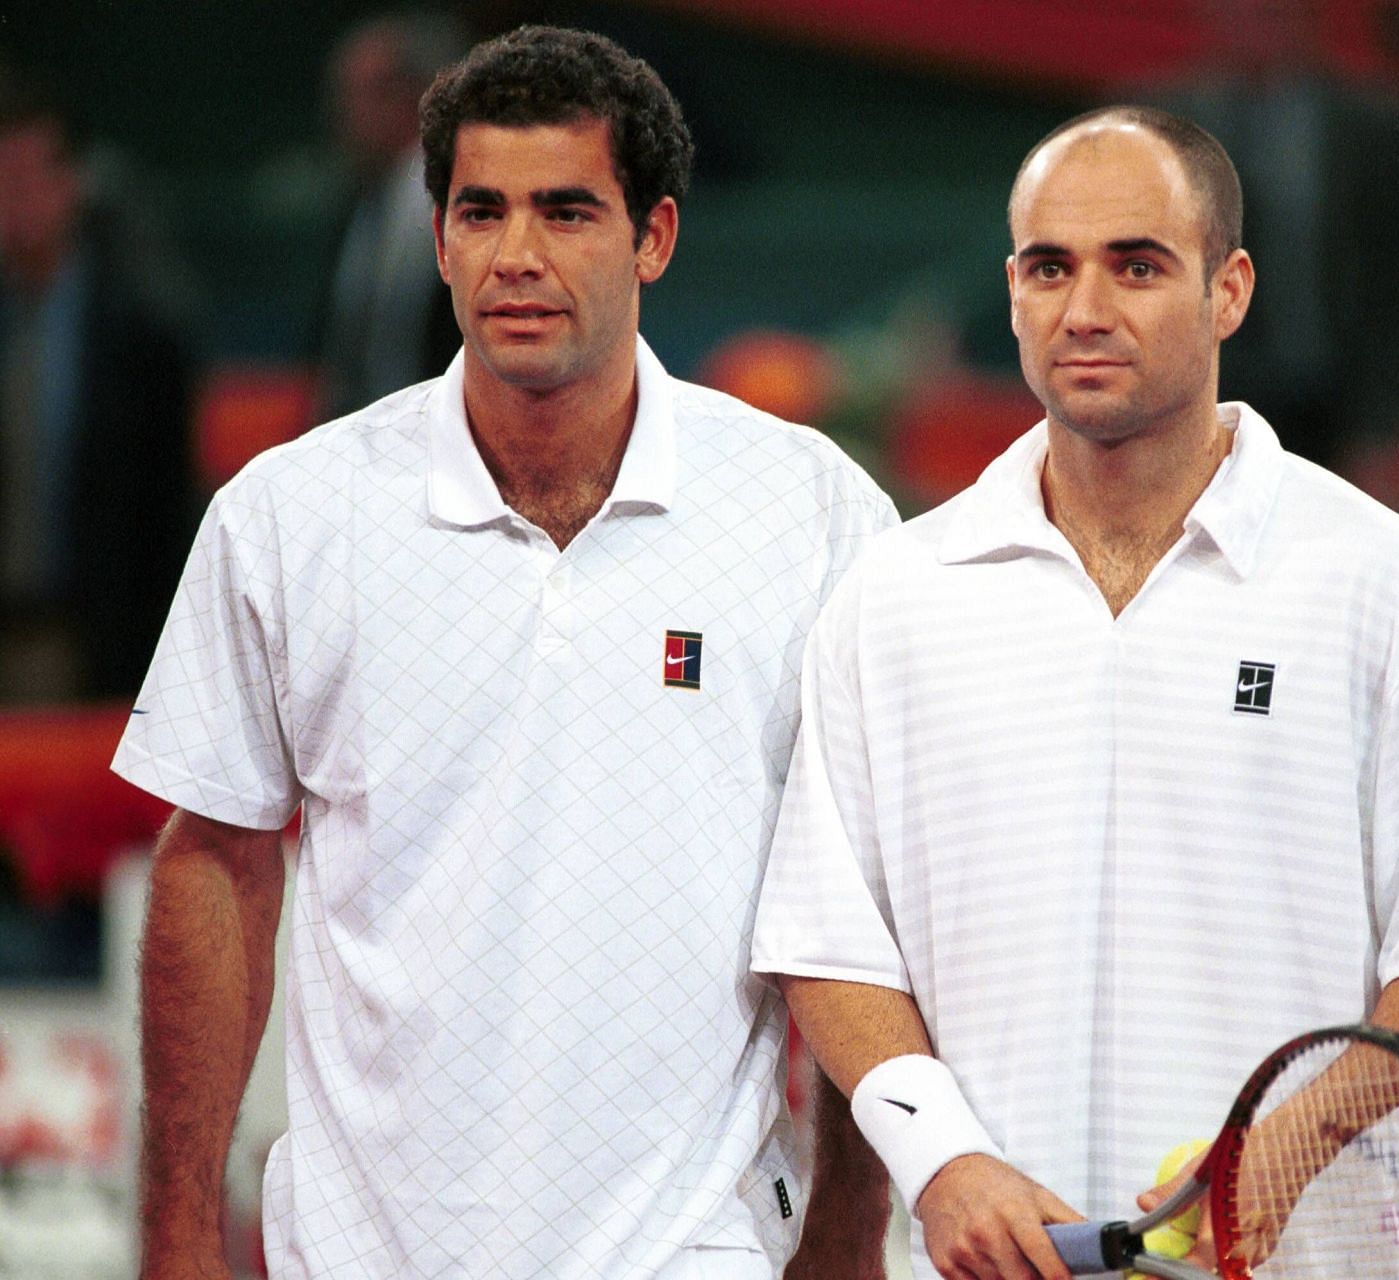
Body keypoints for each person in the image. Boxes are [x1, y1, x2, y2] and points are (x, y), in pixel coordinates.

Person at [113, 26, 894, 1280]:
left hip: (696, 1245)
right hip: (362, 1248)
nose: (517, 256)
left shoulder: (813, 514)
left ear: (655, 237)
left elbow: (869, 903)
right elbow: (213, 861)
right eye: (481, 211)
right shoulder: (289, 513)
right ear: (437, 238)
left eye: (568, 211)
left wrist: (852, 1233)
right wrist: (175, 1235)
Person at [751, 105, 1399, 1280]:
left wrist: (1291, 1138)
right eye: (1049, 267)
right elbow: (829, 941)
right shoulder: (894, 592)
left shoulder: (1388, 583)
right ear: (1011, 290)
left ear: (1229, 290)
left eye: (1136, 265)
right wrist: (943, 1159)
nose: (1085, 309)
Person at [0, 69, 197, 703]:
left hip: (87, 638)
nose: (12, 205)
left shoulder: (137, 327)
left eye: (24, 182)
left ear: (72, 184)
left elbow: (161, 512)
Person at [313, 11, 468, 422]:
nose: (341, 115)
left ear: (412, 96)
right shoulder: (361, 205)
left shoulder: (466, 198)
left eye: (357, 95)